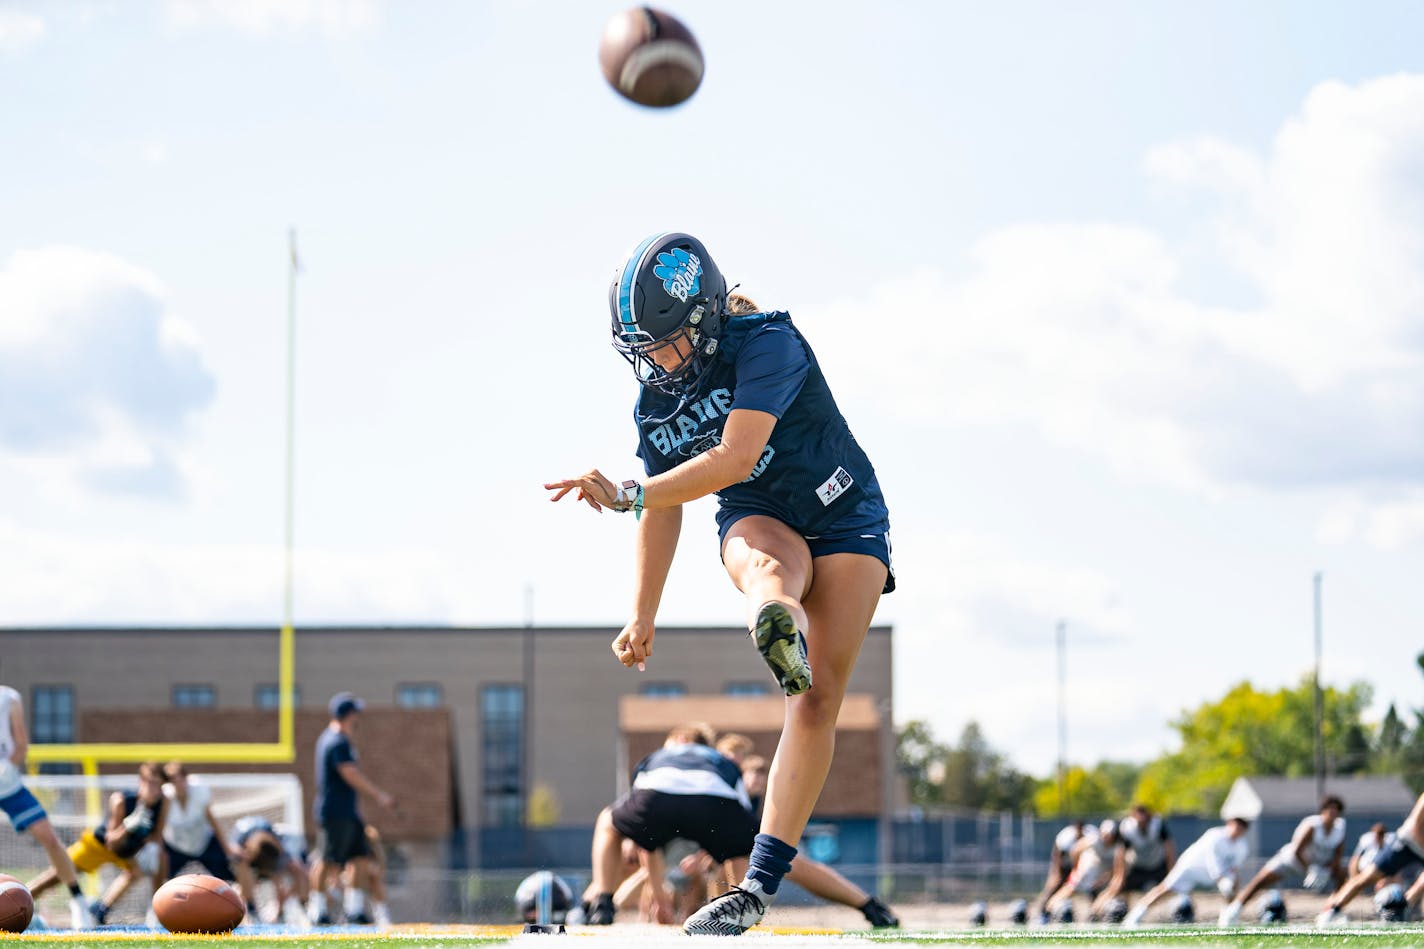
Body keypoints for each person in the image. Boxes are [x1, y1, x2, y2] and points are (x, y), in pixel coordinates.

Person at [545, 232, 894, 936]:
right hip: (760, 514)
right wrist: (642, 611)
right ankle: (776, 618)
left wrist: (630, 494)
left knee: (819, 696)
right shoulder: (657, 399)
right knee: (766, 570)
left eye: (663, 341)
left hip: (844, 510)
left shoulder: (768, 342)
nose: (653, 360)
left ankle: (756, 885)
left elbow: (736, 456)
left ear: (702, 319)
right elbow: (670, 504)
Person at [581, 724, 757, 926]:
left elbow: (645, 840)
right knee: (743, 845)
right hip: (713, 801)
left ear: (680, 739)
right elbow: (742, 821)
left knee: (607, 820)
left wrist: (660, 901)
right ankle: (742, 910)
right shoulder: (719, 760)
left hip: (656, 798)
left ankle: (602, 903)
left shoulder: (659, 756)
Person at [0, 686, 95, 929]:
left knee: (49, 837)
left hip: (8, 785)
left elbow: (21, 745)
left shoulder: (9, 698)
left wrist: (6, 767)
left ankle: (78, 901)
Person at [29, 761, 168, 926]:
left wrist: (152, 850)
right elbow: (112, 842)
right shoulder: (122, 800)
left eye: (157, 784)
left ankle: (103, 911)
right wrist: (128, 826)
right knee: (59, 873)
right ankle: (20, 897)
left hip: (126, 851)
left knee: (156, 862)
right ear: (141, 782)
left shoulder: (163, 802)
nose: (153, 789)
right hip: (98, 845)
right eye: (149, 783)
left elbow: (157, 835)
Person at [307, 692, 395, 926]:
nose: (358, 719)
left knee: (361, 858)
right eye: (356, 713)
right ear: (348, 715)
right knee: (326, 860)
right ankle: (317, 911)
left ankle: (354, 910)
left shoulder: (338, 740)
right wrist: (379, 795)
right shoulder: (336, 741)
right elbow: (350, 773)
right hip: (334, 811)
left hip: (348, 812)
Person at [1219, 795, 1346, 925]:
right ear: (1323, 810)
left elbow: (1338, 854)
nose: (1332, 813)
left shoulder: (1340, 827)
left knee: (1342, 875)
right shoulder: (1312, 825)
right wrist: (1311, 869)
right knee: (1260, 881)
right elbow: (1298, 851)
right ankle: (1233, 911)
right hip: (1292, 861)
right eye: (1330, 810)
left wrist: (1326, 869)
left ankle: (1332, 912)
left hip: (1318, 866)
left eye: (1336, 811)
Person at [1316, 792, 1424, 925]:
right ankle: (1332, 910)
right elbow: (1417, 826)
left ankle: (1401, 908)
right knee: (1367, 877)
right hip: (1406, 843)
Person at [1123, 818, 1250, 927]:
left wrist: (1231, 886)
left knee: (1231, 889)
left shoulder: (1242, 846)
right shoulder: (1215, 835)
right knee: (1165, 889)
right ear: (1229, 824)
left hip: (1212, 875)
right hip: (1190, 868)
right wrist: (1223, 881)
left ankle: (1229, 919)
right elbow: (1213, 864)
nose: (1237, 830)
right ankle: (1134, 916)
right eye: (1236, 826)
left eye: (1241, 828)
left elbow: (1234, 869)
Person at [160, 762, 238, 892]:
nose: (179, 784)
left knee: (226, 879)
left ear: (186, 778)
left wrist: (227, 849)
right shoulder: (165, 798)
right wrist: (159, 849)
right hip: (175, 845)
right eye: (174, 781)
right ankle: (155, 909)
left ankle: (247, 907)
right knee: (163, 880)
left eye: (181, 779)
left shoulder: (199, 791)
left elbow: (212, 821)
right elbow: (160, 826)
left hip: (204, 842)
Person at [1091, 803, 1176, 919]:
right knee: (1118, 886)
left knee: (1173, 885)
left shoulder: (1158, 825)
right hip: (1138, 865)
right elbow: (1120, 853)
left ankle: (1171, 910)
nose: (1142, 823)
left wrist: (1171, 870)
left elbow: (1169, 848)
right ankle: (1096, 912)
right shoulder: (1128, 828)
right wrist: (1119, 876)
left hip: (1156, 864)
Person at [230, 815, 310, 925]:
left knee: (287, 877)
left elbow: (292, 876)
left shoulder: (279, 847)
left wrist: (279, 907)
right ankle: (252, 910)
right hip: (245, 858)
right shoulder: (240, 848)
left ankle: (298, 909)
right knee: (242, 873)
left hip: (268, 854)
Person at [1045, 820, 1117, 923]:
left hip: (1099, 875)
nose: (1107, 837)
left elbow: (1115, 866)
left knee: (1099, 896)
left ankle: (1094, 916)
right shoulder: (1094, 839)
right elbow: (1075, 850)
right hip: (1085, 872)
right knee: (1067, 889)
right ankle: (1047, 913)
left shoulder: (1117, 846)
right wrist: (1076, 868)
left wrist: (1104, 876)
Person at [1036, 820, 1094, 924]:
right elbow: (1058, 855)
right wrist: (1056, 873)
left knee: (1093, 889)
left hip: (1081, 868)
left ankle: (1095, 915)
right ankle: (1044, 914)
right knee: (1054, 886)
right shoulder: (1066, 837)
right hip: (1064, 865)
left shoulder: (1090, 836)